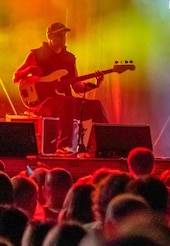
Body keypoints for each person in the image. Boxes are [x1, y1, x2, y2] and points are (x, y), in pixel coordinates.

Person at [13, 22, 109, 154]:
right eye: (59, 35)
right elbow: (16, 76)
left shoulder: (69, 58)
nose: (63, 37)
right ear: (49, 36)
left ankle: (104, 145)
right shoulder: (36, 54)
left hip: (66, 104)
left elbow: (77, 87)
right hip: (43, 103)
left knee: (96, 105)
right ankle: (64, 146)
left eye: (64, 34)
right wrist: (29, 70)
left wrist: (96, 84)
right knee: (68, 102)